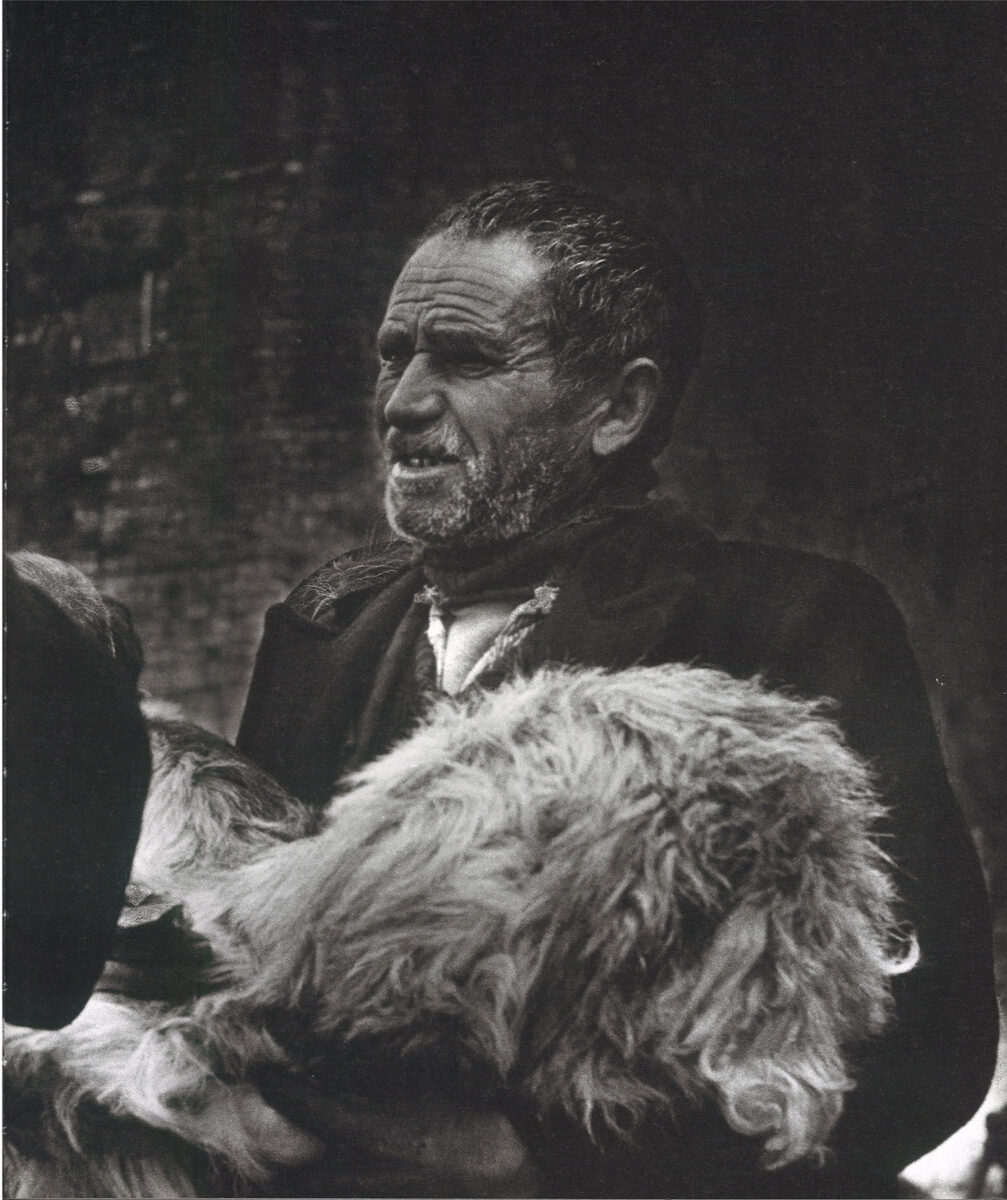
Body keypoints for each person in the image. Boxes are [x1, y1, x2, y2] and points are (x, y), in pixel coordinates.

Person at [235, 180, 997, 1197]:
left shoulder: (782, 624)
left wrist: (542, 1162)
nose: (401, 402)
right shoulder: (323, 628)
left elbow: (924, 1041)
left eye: (465, 358)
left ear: (618, 408)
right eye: (394, 353)